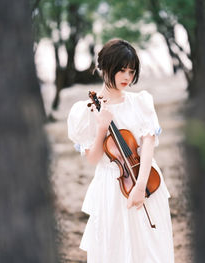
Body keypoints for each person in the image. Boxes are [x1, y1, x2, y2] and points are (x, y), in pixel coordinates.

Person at [67, 39, 174, 263]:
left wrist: (140, 185)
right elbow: (93, 158)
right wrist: (101, 128)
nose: (127, 77)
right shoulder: (85, 111)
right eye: (121, 70)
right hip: (111, 188)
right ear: (105, 68)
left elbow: (147, 145)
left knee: (151, 250)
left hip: (146, 181)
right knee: (114, 251)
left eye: (131, 71)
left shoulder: (140, 102)